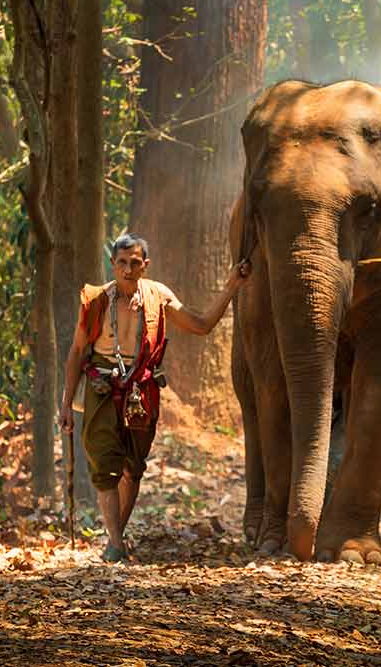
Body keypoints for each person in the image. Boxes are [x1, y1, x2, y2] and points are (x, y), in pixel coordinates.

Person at [58, 233, 251, 562]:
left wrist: (232, 285)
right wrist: (65, 404)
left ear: (145, 266)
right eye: (122, 263)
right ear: (112, 264)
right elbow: (77, 352)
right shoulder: (97, 301)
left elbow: (202, 325)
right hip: (102, 387)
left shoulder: (158, 296)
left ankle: (117, 536)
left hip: (141, 388)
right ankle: (116, 542)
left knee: (133, 466)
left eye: (135, 263)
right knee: (104, 463)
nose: (128, 269)